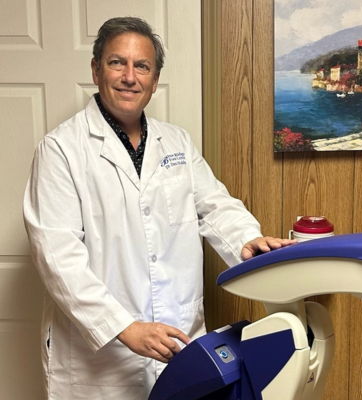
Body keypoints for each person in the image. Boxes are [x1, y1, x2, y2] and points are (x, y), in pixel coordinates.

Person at [23, 17, 295, 399]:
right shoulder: (61, 150)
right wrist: (124, 327)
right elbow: (57, 258)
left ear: (155, 77)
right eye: (117, 62)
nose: (129, 76)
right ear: (96, 69)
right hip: (98, 357)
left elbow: (214, 206)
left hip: (177, 339)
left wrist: (247, 241)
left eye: (142, 66)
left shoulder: (177, 142)